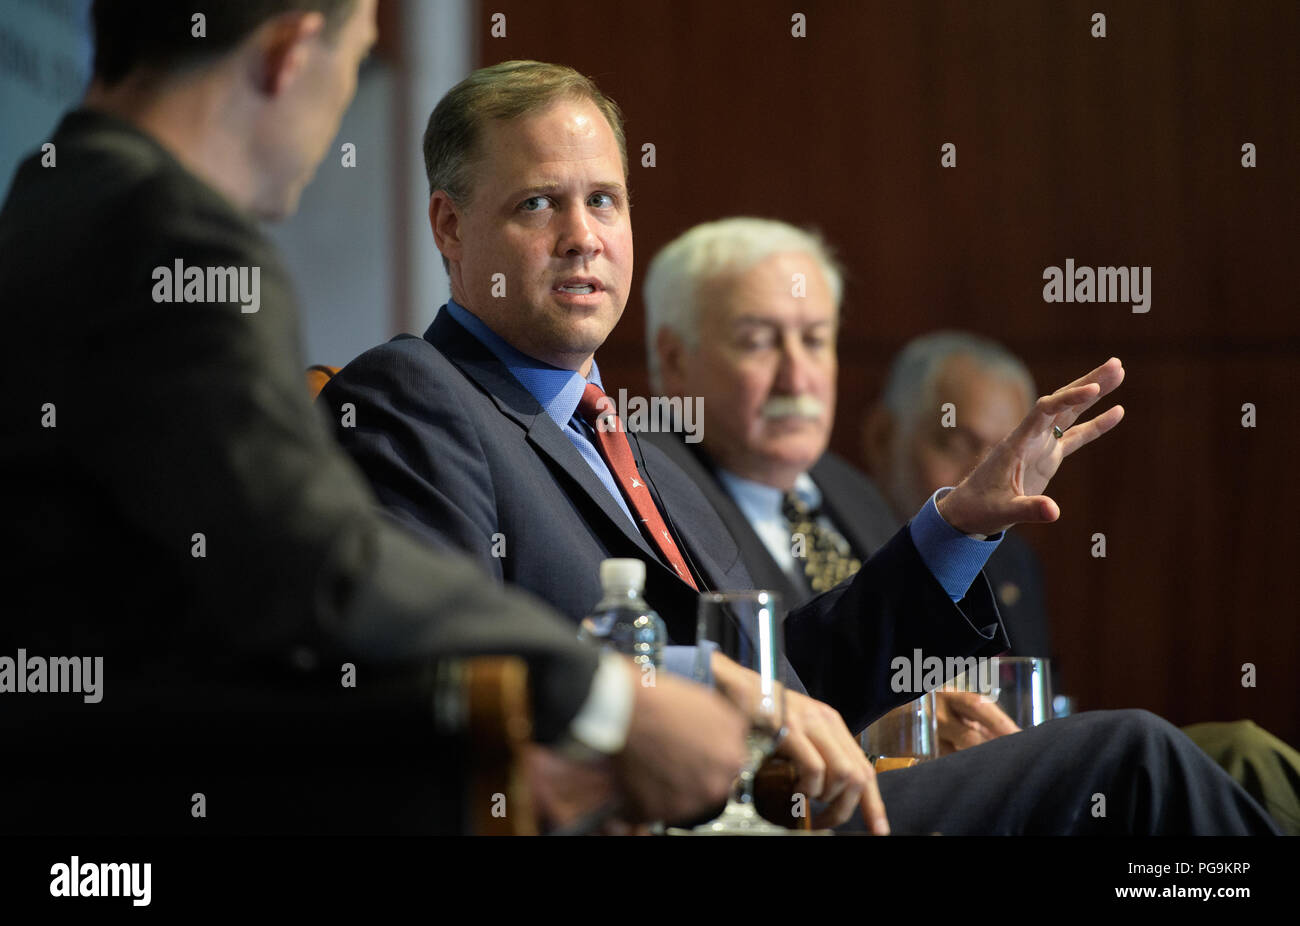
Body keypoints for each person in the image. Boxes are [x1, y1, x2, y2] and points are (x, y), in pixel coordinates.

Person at [322, 65, 1276, 833]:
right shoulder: (418, 397)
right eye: (538, 205)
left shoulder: (630, 439)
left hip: (787, 805)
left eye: (605, 201)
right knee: (1134, 763)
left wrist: (955, 526)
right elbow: (444, 667)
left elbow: (794, 669)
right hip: (675, 819)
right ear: (451, 227)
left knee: (1215, 772)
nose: (584, 239)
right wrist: (712, 687)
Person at [0, 1, 749, 836]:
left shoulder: (58, 193)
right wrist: (608, 701)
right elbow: (314, 566)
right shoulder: (170, 237)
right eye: (355, 61)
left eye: (606, 199)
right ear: (291, 53)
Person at [642, 216, 1290, 833]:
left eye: (814, 338)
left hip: (979, 764)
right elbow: (710, 695)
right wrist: (895, 719)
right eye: (759, 340)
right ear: (674, 362)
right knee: (1142, 757)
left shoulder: (849, 490)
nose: (797, 375)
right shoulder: (654, 501)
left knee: (1245, 755)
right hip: (830, 803)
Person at [861, 329, 1300, 834]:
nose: (983, 476)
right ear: (881, 436)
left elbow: (1040, 706)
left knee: (1243, 751)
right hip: (928, 791)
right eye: (957, 443)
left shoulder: (1012, 563)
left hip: (1024, 774)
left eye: (1005, 455)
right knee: (1143, 747)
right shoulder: (845, 543)